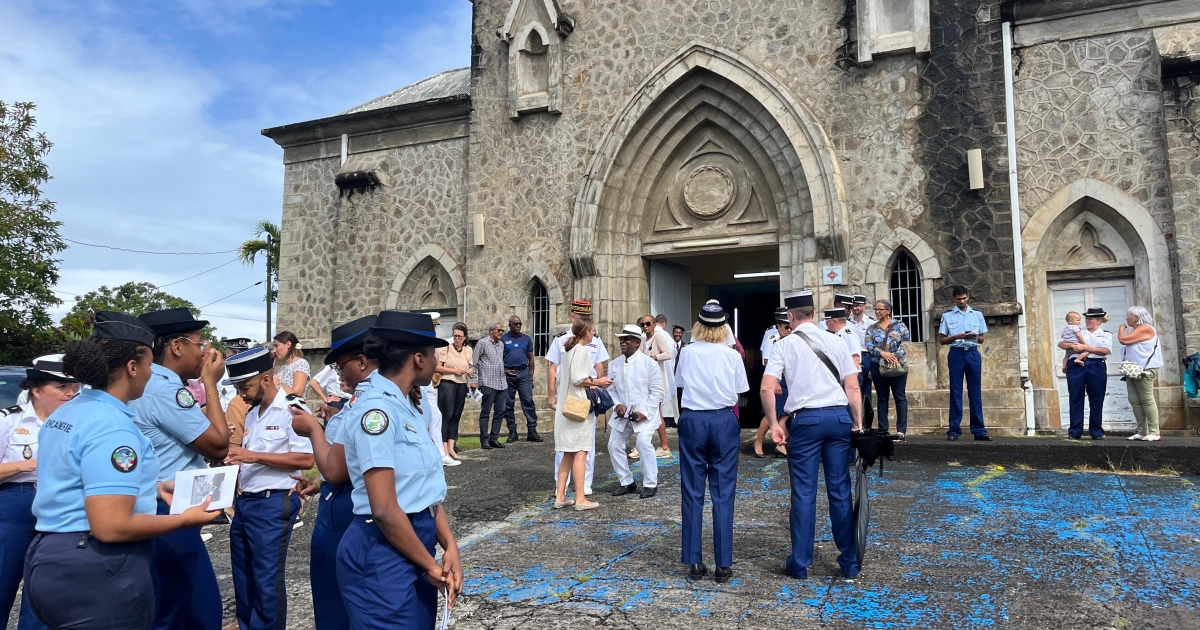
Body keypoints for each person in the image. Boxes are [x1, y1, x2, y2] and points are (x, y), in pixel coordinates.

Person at [25, 312, 220, 630]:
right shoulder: (113, 426)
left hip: (51, 552)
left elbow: (76, 478)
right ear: (132, 367)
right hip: (96, 563)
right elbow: (111, 526)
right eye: (147, 365)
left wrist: (155, 488)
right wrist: (183, 519)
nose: (150, 374)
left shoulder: (71, 411)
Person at [337, 311, 463, 628]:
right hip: (381, 551)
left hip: (414, 543)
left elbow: (424, 490)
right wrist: (429, 564)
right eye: (434, 354)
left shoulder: (406, 405)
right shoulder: (376, 411)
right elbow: (384, 509)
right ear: (418, 359)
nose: (437, 361)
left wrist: (450, 546)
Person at [132, 307, 231, 630]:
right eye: (198, 344)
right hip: (169, 510)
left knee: (165, 606)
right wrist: (210, 383)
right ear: (176, 346)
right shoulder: (165, 389)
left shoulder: (141, 385)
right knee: (195, 612)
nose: (203, 353)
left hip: (150, 504)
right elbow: (218, 444)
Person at [761, 290, 863, 580]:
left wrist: (774, 424)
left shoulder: (784, 344)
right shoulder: (837, 341)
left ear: (791, 317)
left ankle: (801, 563)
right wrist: (856, 423)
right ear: (814, 314)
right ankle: (849, 561)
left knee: (804, 493)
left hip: (806, 420)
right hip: (838, 417)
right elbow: (852, 388)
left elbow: (767, 388)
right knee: (840, 490)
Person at [287, 314, 378, 630]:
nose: (340, 374)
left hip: (350, 511)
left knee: (345, 605)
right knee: (330, 602)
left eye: (342, 366)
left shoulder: (371, 404)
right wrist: (320, 482)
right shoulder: (358, 401)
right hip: (334, 506)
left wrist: (313, 429)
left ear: (363, 361)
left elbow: (339, 470)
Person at [224, 346, 315, 630]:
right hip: (246, 503)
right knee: (243, 577)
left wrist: (252, 456)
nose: (241, 393)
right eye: (238, 387)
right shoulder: (252, 414)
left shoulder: (293, 408)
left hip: (273, 503)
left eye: (245, 386)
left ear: (265, 379)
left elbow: (306, 458)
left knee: (266, 581)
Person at [0, 356, 79, 630]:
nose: (71, 392)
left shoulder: (77, 423)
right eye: (62, 387)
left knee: (46, 589)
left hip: (61, 504)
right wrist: (28, 464)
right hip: (16, 502)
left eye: (74, 386)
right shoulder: (9, 421)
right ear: (37, 390)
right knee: (3, 579)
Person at [674, 302, 748, 583]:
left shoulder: (688, 352)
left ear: (699, 326)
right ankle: (723, 564)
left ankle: (694, 561)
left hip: (693, 418)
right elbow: (741, 391)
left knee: (692, 490)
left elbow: (680, 384)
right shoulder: (731, 356)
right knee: (723, 491)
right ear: (723, 328)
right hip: (722, 419)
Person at [546, 300, 611, 495]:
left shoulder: (592, 342)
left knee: (583, 444)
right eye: (585, 322)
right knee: (575, 445)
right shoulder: (566, 342)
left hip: (585, 396)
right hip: (575, 397)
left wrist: (600, 390)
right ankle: (566, 488)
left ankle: (582, 485)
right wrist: (551, 394)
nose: (592, 330)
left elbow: (598, 366)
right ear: (574, 318)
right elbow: (556, 369)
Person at [552, 318, 604, 511]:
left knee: (568, 453)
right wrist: (599, 382)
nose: (593, 334)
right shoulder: (581, 350)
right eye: (592, 330)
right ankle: (580, 498)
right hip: (577, 409)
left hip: (565, 408)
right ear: (587, 332)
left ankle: (560, 496)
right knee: (581, 451)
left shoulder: (569, 351)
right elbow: (578, 378)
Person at [608, 325, 665, 499]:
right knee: (614, 445)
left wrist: (645, 412)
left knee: (642, 443)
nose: (622, 342)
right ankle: (627, 482)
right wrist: (617, 405)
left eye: (626, 339)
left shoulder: (649, 364)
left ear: (637, 342)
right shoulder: (614, 364)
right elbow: (611, 389)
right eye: (621, 339)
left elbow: (657, 392)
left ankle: (650, 483)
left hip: (645, 413)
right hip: (623, 414)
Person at [938, 287, 991, 441]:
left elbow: (982, 339)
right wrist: (956, 336)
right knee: (956, 392)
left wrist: (972, 337)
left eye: (964, 298)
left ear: (968, 297)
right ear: (954, 299)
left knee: (975, 392)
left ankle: (979, 430)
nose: (962, 301)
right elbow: (942, 340)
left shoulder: (977, 315)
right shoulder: (947, 316)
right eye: (959, 299)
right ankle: (954, 430)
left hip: (973, 352)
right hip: (956, 353)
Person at [1059, 307, 1112, 440]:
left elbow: (1105, 350)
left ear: (1099, 321)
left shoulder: (1106, 334)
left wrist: (1085, 347)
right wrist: (1071, 346)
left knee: (1096, 398)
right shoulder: (1077, 330)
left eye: (1091, 318)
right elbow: (1061, 343)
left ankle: (1096, 431)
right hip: (1076, 365)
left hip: (1096, 364)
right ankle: (1075, 431)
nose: (1087, 321)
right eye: (1087, 318)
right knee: (1075, 397)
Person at [865, 300, 910, 439]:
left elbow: (905, 342)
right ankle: (883, 429)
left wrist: (895, 357)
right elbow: (868, 345)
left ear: (888, 310)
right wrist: (882, 354)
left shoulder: (900, 325)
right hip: (878, 365)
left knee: (900, 397)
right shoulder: (872, 328)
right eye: (876, 309)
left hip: (896, 365)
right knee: (882, 397)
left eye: (880, 309)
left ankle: (901, 431)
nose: (877, 312)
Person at [1118, 306, 1164, 442]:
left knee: (1146, 399)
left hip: (1145, 370)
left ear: (1137, 317)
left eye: (1129, 315)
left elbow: (1123, 340)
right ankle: (1142, 431)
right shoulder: (1137, 330)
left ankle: (1155, 432)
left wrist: (1121, 330)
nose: (1126, 318)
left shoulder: (1145, 328)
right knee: (1134, 400)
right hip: (1132, 370)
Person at [753, 310, 791, 458]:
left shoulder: (792, 339)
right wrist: (775, 383)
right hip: (777, 380)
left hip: (789, 381)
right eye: (785, 327)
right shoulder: (773, 339)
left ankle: (780, 445)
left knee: (786, 413)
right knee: (772, 415)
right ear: (778, 326)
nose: (789, 330)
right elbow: (767, 363)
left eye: (790, 327)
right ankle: (759, 442)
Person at [636, 314, 673, 459]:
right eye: (642, 324)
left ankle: (664, 446)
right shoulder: (643, 341)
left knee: (657, 413)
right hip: (645, 382)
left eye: (648, 324)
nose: (645, 327)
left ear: (654, 324)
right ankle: (643, 445)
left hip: (657, 381)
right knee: (645, 412)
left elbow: (668, 354)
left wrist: (655, 357)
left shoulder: (658, 337)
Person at [501, 316, 542, 442]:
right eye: (516, 324)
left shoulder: (526, 339)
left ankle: (532, 430)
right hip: (509, 373)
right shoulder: (503, 340)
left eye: (520, 324)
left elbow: (531, 359)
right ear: (510, 325)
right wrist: (504, 371)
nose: (518, 326)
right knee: (508, 404)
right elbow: (498, 359)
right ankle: (512, 431)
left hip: (523, 373)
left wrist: (531, 376)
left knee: (528, 401)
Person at [435, 323, 472, 461]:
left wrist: (470, 371)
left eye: (459, 336)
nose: (457, 339)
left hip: (461, 383)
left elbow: (471, 365)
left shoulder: (468, 350)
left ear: (464, 337)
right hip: (447, 383)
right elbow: (438, 368)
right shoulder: (446, 348)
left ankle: (451, 447)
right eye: (455, 336)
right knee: (447, 415)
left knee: (456, 414)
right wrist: (454, 371)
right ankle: (444, 448)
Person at [473, 322, 509, 450]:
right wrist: (474, 380)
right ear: (491, 331)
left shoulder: (501, 345)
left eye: (502, 331)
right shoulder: (482, 343)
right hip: (488, 382)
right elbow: (474, 362)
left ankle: (494, 438)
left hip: (502, 383)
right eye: (499, 330)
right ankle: (484, 440)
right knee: (486, 412)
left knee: (500, 412)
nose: (501, 333)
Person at [272, 331, 310, 397]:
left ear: (288, 344)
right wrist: (273, 364)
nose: (274, 350)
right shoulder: (283, 368)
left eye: (276, 346)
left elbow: (297, 393)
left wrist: (278, 384)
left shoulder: (301, 363)